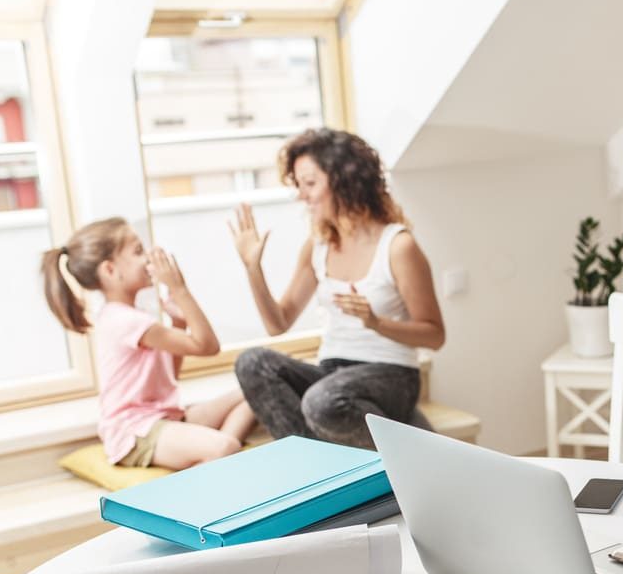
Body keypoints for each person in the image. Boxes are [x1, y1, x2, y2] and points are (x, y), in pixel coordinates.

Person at [228, 128, 445, 449]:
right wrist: (253, 270)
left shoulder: (397, 246)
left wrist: (377, 323)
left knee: (321, 401)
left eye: (311, 184)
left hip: (391, 376)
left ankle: (345, 461)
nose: (303, 195)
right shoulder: (317, 246)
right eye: (299, 186)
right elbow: (278, 323)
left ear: (345, 181)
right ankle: (317, 463)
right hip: (332, 376)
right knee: (252, 363)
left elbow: (434, 335)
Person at [41, 218, 255, 470]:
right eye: (138, 251)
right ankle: (222, 454)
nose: (148, 258)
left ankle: (219, 458)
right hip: (135, 432)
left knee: (253, 394)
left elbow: (168, 377)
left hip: (163, 419)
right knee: (224, 447)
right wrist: (180, 289)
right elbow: (208, 346)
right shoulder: (127, 321)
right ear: (110, 271)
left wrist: (178, 321)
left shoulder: (129, 317)